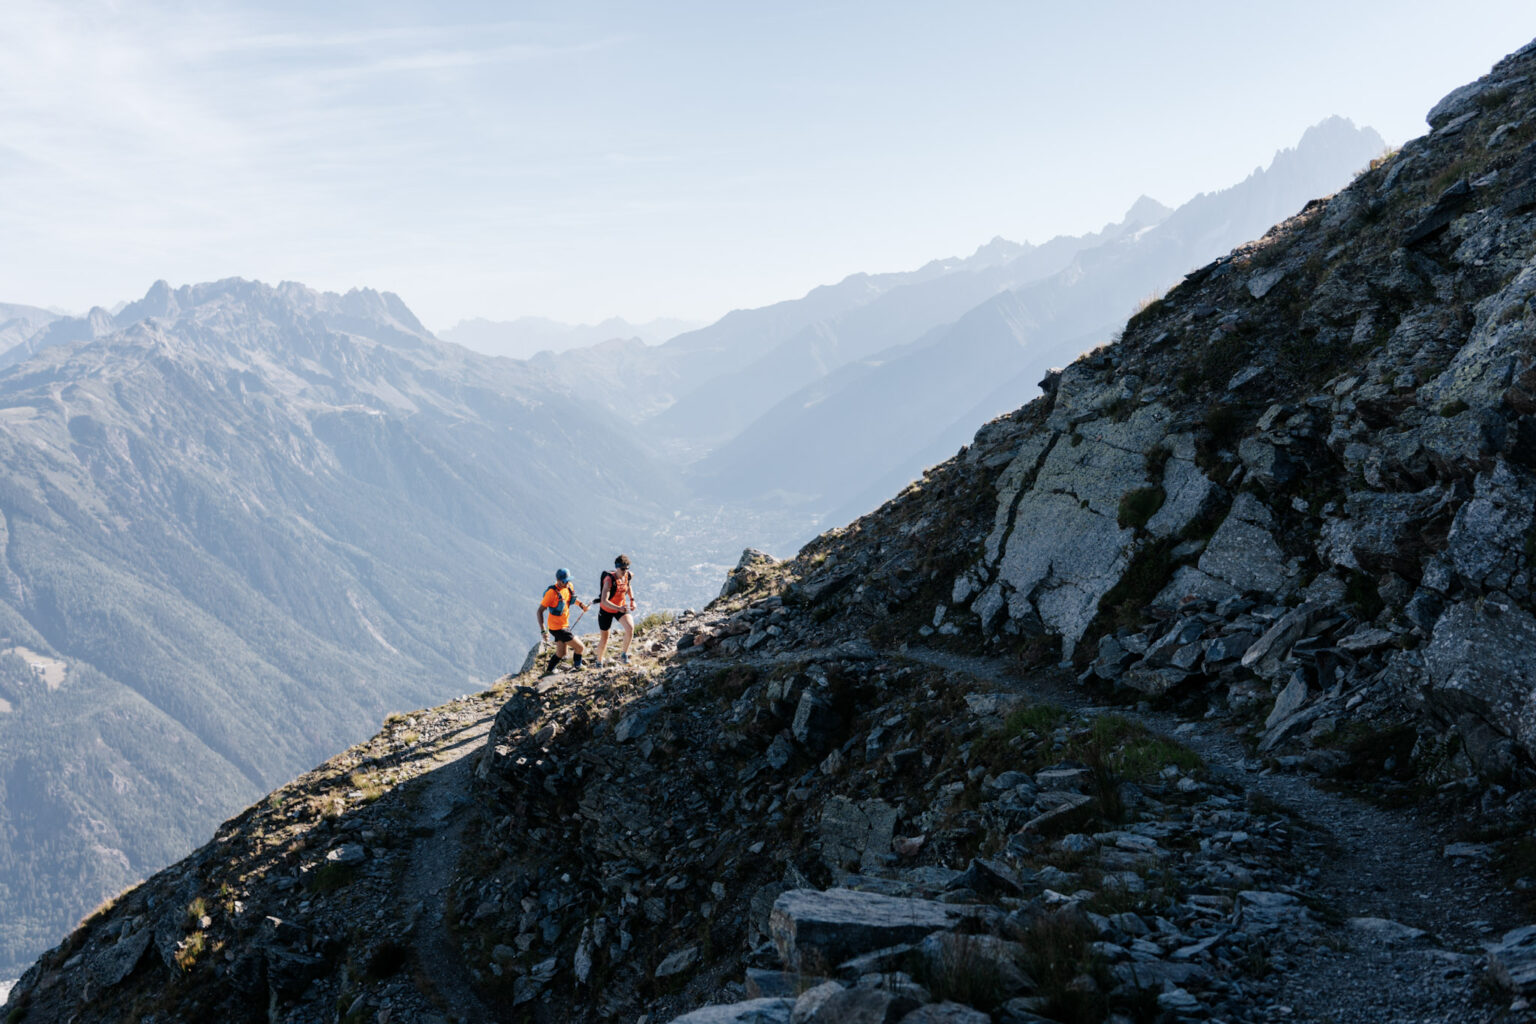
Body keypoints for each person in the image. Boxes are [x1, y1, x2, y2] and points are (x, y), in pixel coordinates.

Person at [537, 568, 590, 674]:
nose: (567, 583)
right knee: (580, 647)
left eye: (568, 580)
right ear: (558, 580)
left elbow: (571, 600)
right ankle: (578, 667)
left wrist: (581, 605)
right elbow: (539, 612)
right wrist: (543, 631)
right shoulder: (551, 593)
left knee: (561, 653)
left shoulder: (569, 587)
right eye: (564, 581)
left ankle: (548, 672)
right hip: (557, 628)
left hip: (564, 625)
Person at [594, 554, 637, 667]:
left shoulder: (627, 576)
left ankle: (624, 654)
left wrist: (632, 600)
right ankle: (599, 661)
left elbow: (628, 586)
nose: (625, 571)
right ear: (617, 567)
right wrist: (618, 608)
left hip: (620, 607)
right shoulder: (609, 580)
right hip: (606, 610)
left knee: (630, 628)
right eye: (622, 569)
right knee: (605, 638)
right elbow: (604, 600)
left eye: (627, 569)